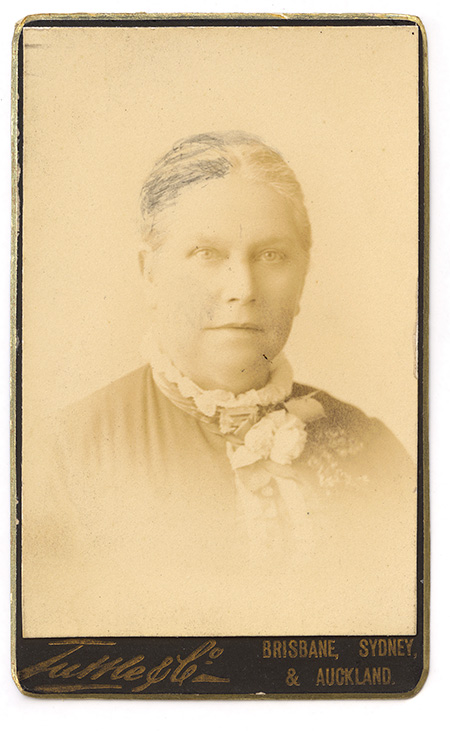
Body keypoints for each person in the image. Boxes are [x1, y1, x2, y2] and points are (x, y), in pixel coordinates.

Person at [23, 132, 417, 638]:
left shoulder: (371, 447)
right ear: (150, 273)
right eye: (207, 253)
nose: (243, 289)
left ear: (303, 276)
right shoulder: (63, 455)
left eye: (271, 255)